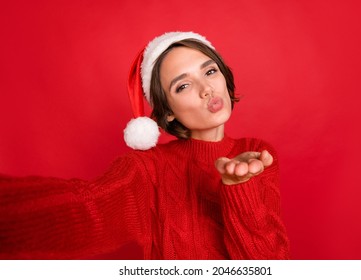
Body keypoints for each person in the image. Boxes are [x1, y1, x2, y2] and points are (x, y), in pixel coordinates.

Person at [0, 31, 290, 259]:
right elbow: (83, 210)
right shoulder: (146, 169)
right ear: (167, 112)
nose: (206, 90)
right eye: (183, 85)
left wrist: (239, 186)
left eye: (210, 71)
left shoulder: (256, 153)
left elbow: (268, 265)